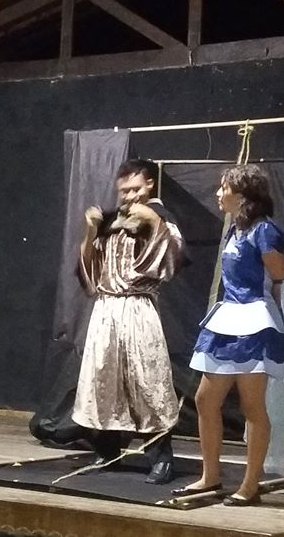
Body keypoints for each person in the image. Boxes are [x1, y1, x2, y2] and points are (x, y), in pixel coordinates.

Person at [174, 164, 284, 506]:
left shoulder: (264, 230)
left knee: (252, 405)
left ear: (242, 195)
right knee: (205, 399)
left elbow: (280, 275)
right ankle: (210, 475)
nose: (218, 194)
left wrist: (272, 315)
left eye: (223, 188)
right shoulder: (235, 230)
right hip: (228, 318)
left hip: (254, 320)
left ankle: (250, 485)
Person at [73, 159, 184, 485]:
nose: (130, 196)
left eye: (135, 189)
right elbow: (89, 270)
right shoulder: (112, 219)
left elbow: (172, 259)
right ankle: (106, 450)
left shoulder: (160, 217)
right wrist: (91, 230)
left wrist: (152, 221)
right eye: (124, 191)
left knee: (147, 380)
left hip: (137, 306)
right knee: (103, 379)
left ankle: (160, 457)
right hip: (106, 307)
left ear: (150, 184)